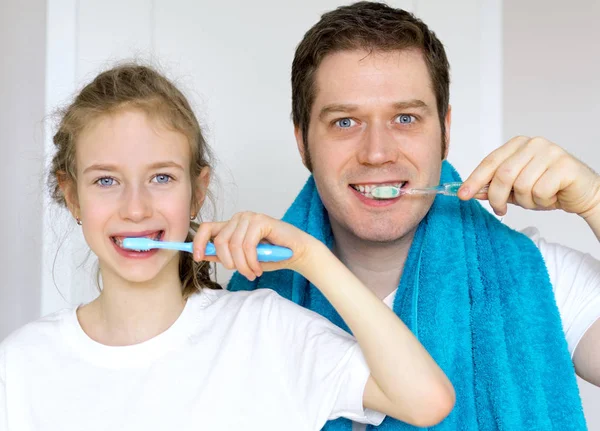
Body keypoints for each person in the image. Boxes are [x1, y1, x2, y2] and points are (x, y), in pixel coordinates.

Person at [0, 64, 455, 431]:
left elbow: (426, 402)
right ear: (72, 194)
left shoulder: (265, 330)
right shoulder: (21, 365)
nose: (135, 208)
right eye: (106, 180)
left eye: (161, 178)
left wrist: (310, 257)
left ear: (197, 191)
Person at [227, 2, 600, 430]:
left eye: (405, 118)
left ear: (445, 131)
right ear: (302, 142)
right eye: (345, 122)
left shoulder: (541, 280)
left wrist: (594, 199)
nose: (377, 153)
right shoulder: (246, 310)